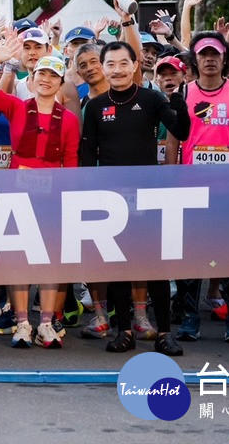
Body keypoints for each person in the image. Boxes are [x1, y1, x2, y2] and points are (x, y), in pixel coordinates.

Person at [78, 41, 191, 356]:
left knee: (154, 266)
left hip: (147, 195)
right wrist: (89, 195)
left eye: (123, 63)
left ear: (135, 65)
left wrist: (179, 105)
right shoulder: (96, 106)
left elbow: (180, 132)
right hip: (111, 198)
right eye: (110, 64)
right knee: (117, 268)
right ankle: (124, 331)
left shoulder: (151, 98)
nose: (117, 70)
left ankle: (165, 333)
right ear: (103, 67)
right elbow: (87, 154)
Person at [0, 40, 79, 349]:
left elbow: (71, 163)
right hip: (16, 189)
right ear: (31, 79)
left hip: (51, 195)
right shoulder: (17, 106)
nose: (46, 80)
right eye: (41, 74)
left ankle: (46, 323)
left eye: (53, 75)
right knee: (18, 256)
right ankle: (22, 322)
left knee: (48, 260)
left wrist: (67, 201)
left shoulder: (70, 120)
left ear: (61, 82)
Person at [163, 32, 229, 345]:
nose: (210, 59)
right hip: (191, 187)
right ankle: (190, 317)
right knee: (191, 253)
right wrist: (171, 179)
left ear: (224, 58)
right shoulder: (184, 92)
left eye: (216, 54)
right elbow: (174, 139)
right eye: (204, 54)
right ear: (194, 60)